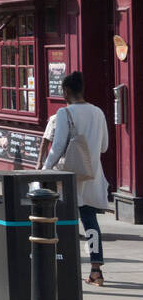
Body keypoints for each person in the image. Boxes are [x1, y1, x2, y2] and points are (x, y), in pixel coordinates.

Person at [44, 71, 109, 286]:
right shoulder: (98, 112)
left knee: (62, 221)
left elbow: (58, 146)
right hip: (92, 174)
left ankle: (64, 265)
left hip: (69, 176)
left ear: (65, 91)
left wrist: (45, 169)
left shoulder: (65, 113)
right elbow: (104, 146)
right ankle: (96, 269)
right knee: (90, 222)